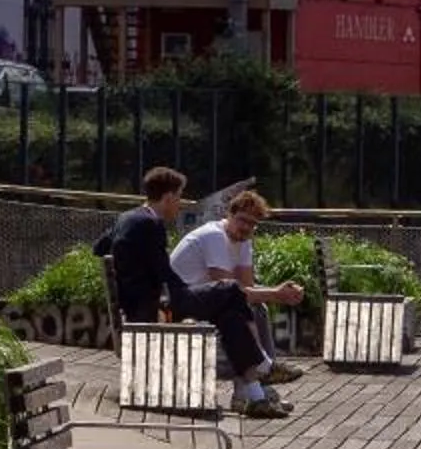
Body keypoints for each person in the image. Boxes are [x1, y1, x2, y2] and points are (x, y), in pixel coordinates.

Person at [101, 165, 290, 417]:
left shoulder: (127, 218)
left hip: (149, 301)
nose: (179, 204)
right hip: (160, 304)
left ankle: (255, 394)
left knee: (229, 313)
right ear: (168, 197)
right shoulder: (151, 224)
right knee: (232, 290)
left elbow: (99, 247)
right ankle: (264, 366)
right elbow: (164, 273)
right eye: (178, 198)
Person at [168, 187, 304, 382]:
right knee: (239, 308)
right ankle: (262, 368)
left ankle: (265, 368)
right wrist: (276, 293)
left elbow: (246, 289)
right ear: (229, 214)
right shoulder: (213, 236)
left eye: (252, 224)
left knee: (257, 308)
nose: (246, 227)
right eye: (242, 220)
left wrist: (283, 292)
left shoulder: (242, 241)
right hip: (180, 302)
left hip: (204, 298)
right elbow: (230, 292)